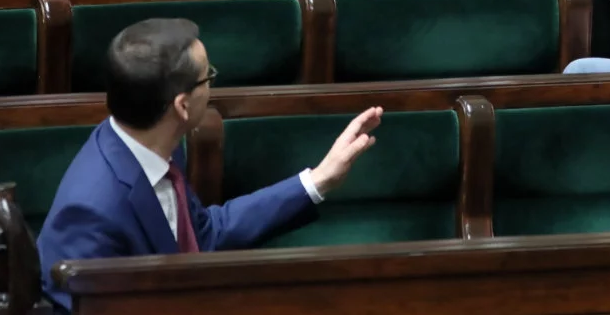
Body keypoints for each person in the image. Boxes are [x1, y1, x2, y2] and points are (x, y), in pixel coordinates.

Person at [38, 18, 383, 312]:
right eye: (208, 77)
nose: (212, 86)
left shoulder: (153, 145)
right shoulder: (91, 213)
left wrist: (318, 180)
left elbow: (203, 234)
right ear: (182, 106)